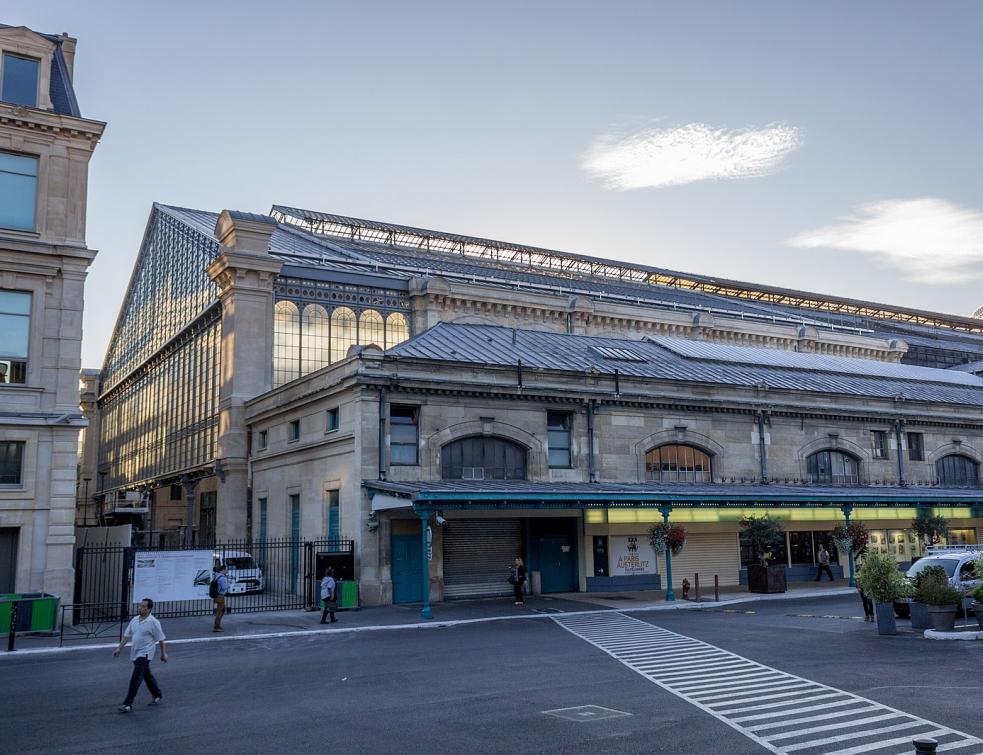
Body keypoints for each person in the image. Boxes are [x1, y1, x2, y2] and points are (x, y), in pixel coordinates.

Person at [113, 598, 167, 712]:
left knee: (136, 678)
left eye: (143, 606)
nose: (140, 608)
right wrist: (119, 648)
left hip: (145, 654)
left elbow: (161, 639)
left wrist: (163, 654)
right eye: (140, 606)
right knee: (147, 675)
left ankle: (128, 704)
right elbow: (127, 636)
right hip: (135, 653)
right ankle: (157, 694)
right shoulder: (135, 620)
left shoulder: (154, 622)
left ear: (148, 609)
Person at [856, 547, 874, 621]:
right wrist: (858, 587)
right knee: (864, 602)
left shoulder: (870, 569)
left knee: (869, 601)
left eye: (865, 560)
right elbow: (857, 578)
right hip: (862, 586)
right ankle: (866, 615)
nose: (864, 561)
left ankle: (872, 615)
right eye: (863, 560)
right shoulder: (859, 568)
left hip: (868, 586)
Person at [212, 563, 229, 632]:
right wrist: (229, 585)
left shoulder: (217, 576)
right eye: (226, 570)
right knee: (220, 611)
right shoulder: (222, 578)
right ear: (223, 570)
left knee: (222, 610)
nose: (227, 571)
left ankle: (218, 625)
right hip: (220, 596)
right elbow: (224, 587)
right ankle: (216, 627)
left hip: (217, 595)